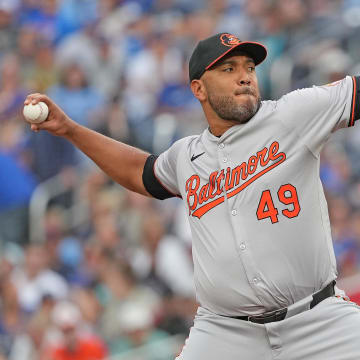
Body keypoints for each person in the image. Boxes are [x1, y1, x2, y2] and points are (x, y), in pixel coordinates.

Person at [24, 32, 360, 360]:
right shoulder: (186, 157)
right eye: (229, 69)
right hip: (226, 332)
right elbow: (139, 172)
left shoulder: (292, 114)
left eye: (249, 68)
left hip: (318, 319)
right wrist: (69, 128)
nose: (244, 77)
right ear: (198, 88)